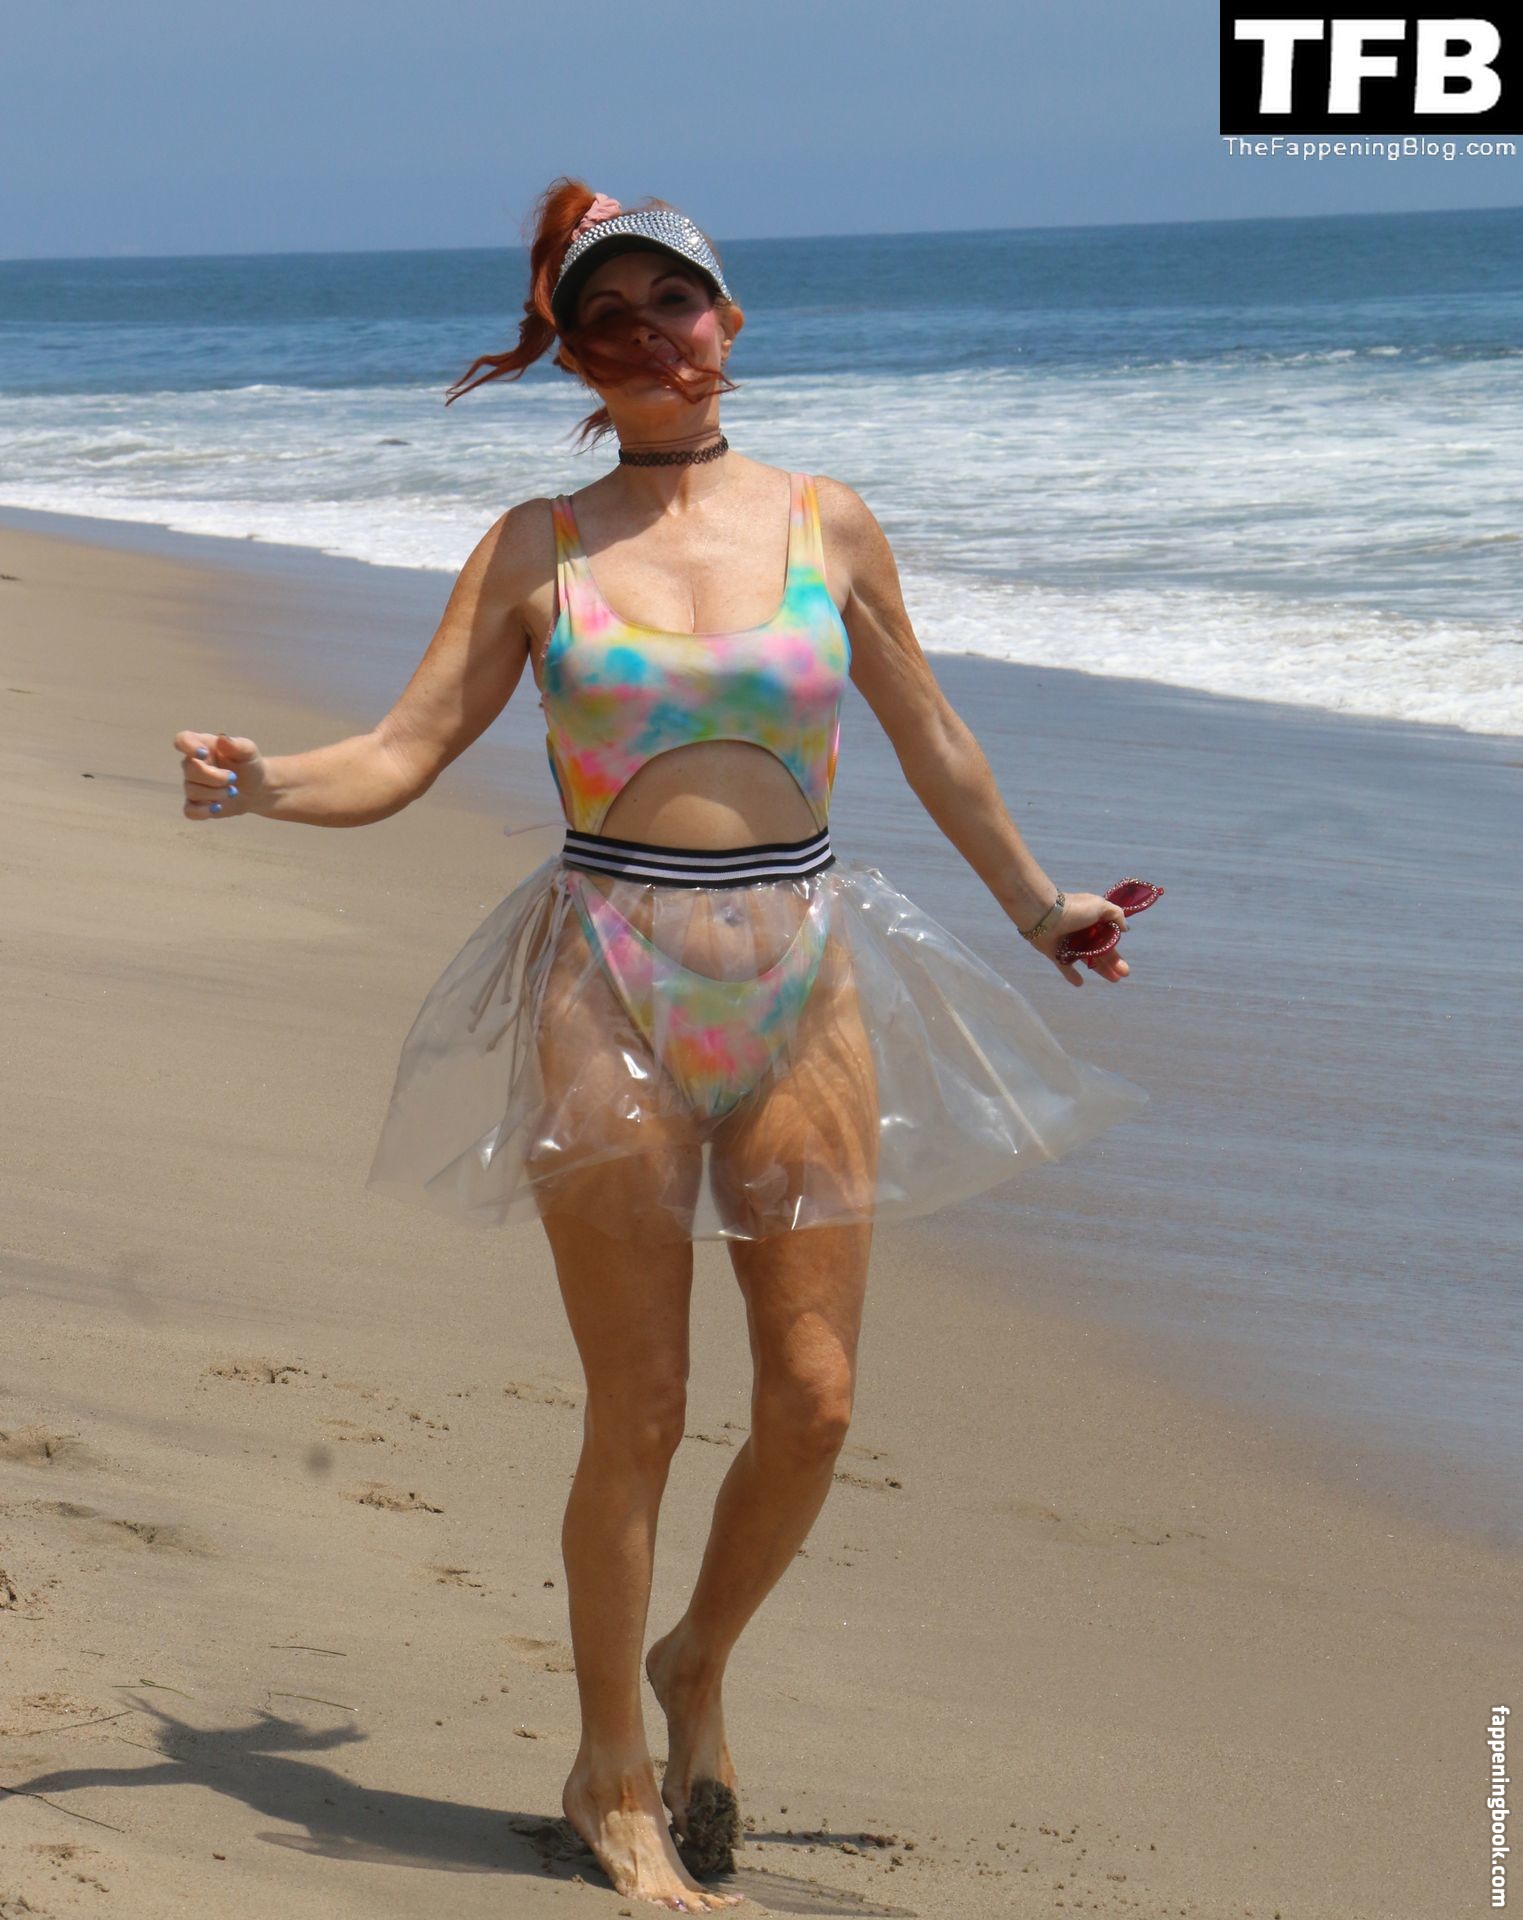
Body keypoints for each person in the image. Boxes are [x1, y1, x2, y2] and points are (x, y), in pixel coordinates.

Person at [173, 176, 1152, 1914]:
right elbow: (402, 750)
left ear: (729, 316)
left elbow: (933, 736)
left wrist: (1041, 905)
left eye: (671, 304)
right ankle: (609, 1772)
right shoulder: (537, 548)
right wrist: (263, 784)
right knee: (640, 1406)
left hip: (805, 978)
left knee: (816, 1404)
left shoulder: (828, 524)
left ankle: (696, 1659)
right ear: (572, 355)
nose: (645, 338)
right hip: (607, 983)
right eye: (604, 319)